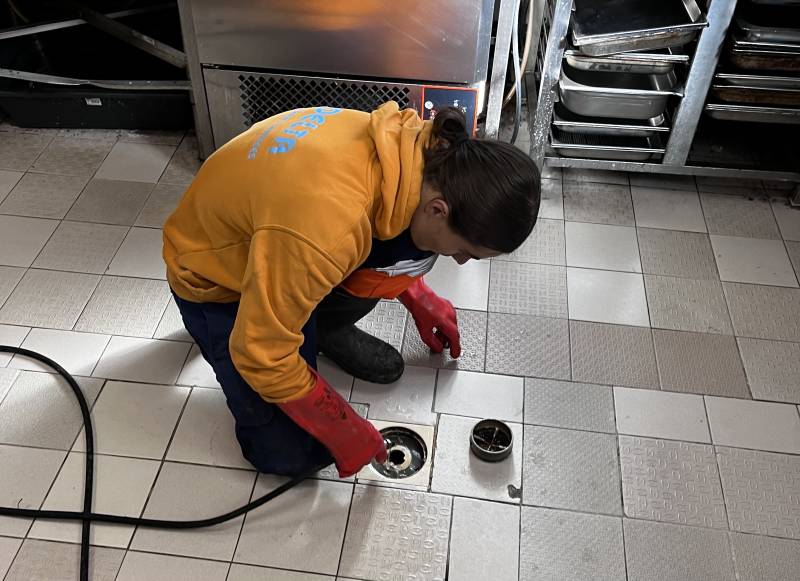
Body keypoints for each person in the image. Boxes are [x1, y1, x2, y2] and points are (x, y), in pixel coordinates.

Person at [163, 102, 540, 478]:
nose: (459, 261)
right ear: (439, 210)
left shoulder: (424, 153)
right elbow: (260, 354)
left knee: (408, 243)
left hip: (282, 245)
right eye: (465, 251)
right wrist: (340, 426)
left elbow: (380, 228)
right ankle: (290, 332)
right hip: (214, 277)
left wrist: (417, 294)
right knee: (294, 453)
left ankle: (320, 328)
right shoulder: (328, 228)